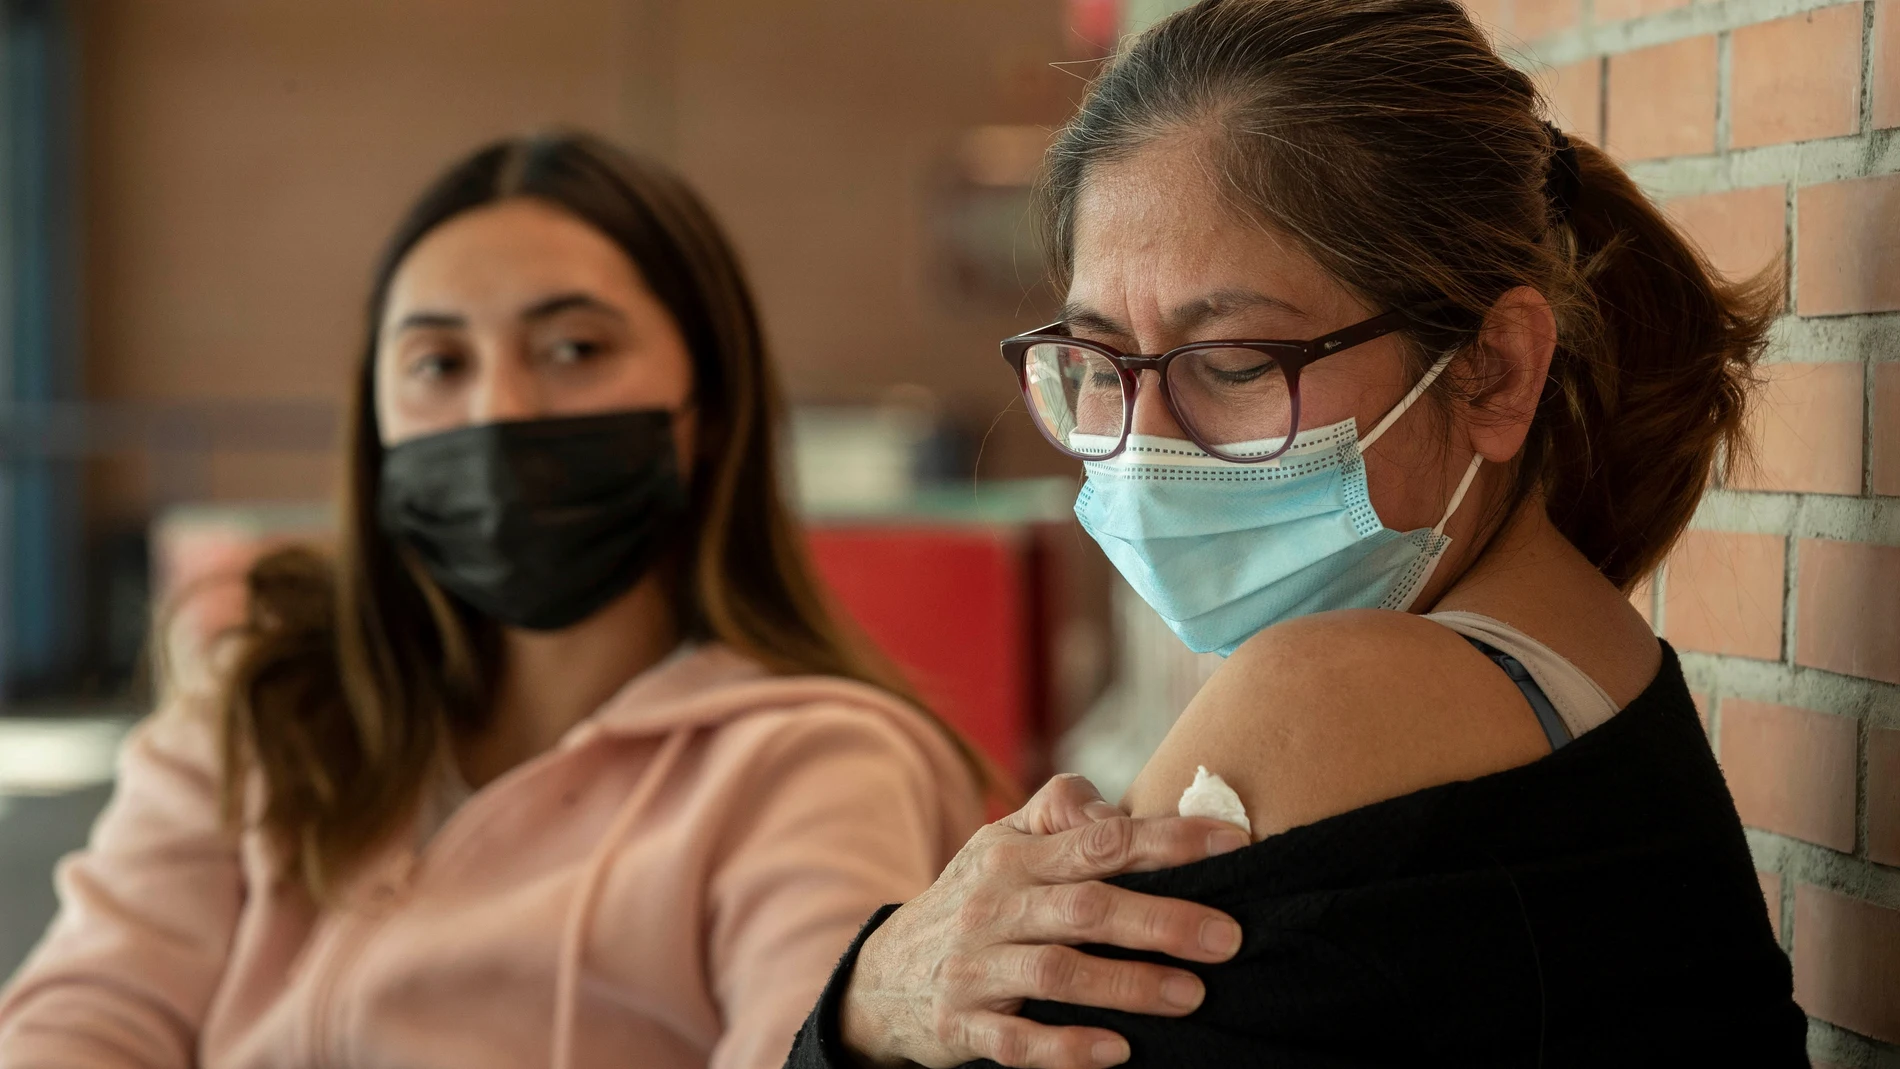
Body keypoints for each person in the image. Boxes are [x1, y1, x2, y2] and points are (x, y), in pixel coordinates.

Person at [784, 0, 1809, 1065]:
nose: (1145, 446)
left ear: (1492, 368)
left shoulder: (1333, 692)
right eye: (1096, 365)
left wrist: (874, 996)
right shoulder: (1584, 676)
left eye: (1232, 364)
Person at [0, 132, 991, 1069]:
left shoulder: (815, 764)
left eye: (573, 351)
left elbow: (798, 1039)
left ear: (710, 408)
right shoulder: (262, 712)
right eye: (439, 363)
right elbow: (88, 1013)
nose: (498, 411)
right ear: (376, 419)